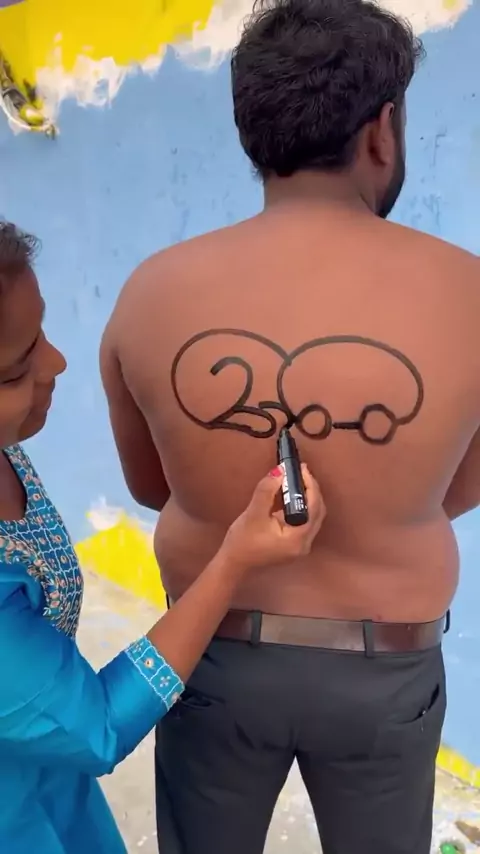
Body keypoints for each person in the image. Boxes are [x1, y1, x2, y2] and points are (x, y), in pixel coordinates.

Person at [100, 1, 480, 852]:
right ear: (381, 132)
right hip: (387, 668)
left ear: (252, 133)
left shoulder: (154, 291)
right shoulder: (470, 294)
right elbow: (459, 488)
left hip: (211, 650)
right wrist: (385, 504)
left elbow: (151, 486)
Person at [0, 221, 325, 854]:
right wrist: (233, 561)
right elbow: (96, 725)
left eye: (41, 335)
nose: (57, 364)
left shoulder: (8, 443)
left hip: (54, 787)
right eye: (15, 371)